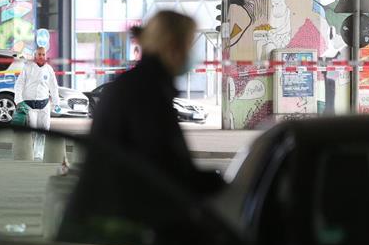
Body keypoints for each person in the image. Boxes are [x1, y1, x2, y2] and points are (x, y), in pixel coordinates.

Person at [90, 10, 223, 195]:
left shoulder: (138, 84)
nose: (192, 54)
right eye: (189, 45)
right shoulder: (146, 92)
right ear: (172, 47)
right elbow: (167, 168)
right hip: (126, 213)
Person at [14, 46, 60, 159]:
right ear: (35, 55)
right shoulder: (27, 67)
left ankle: (39, 155)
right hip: (29, 105)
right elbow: (19, 85)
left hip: (44, 105)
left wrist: (56, 102)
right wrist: (19, 101)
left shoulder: (49, 69)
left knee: (44, 131)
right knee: (33, 131)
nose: (41, 56)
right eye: (39, 54)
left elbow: (54, 87)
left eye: (43, 54)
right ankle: (30, 154)